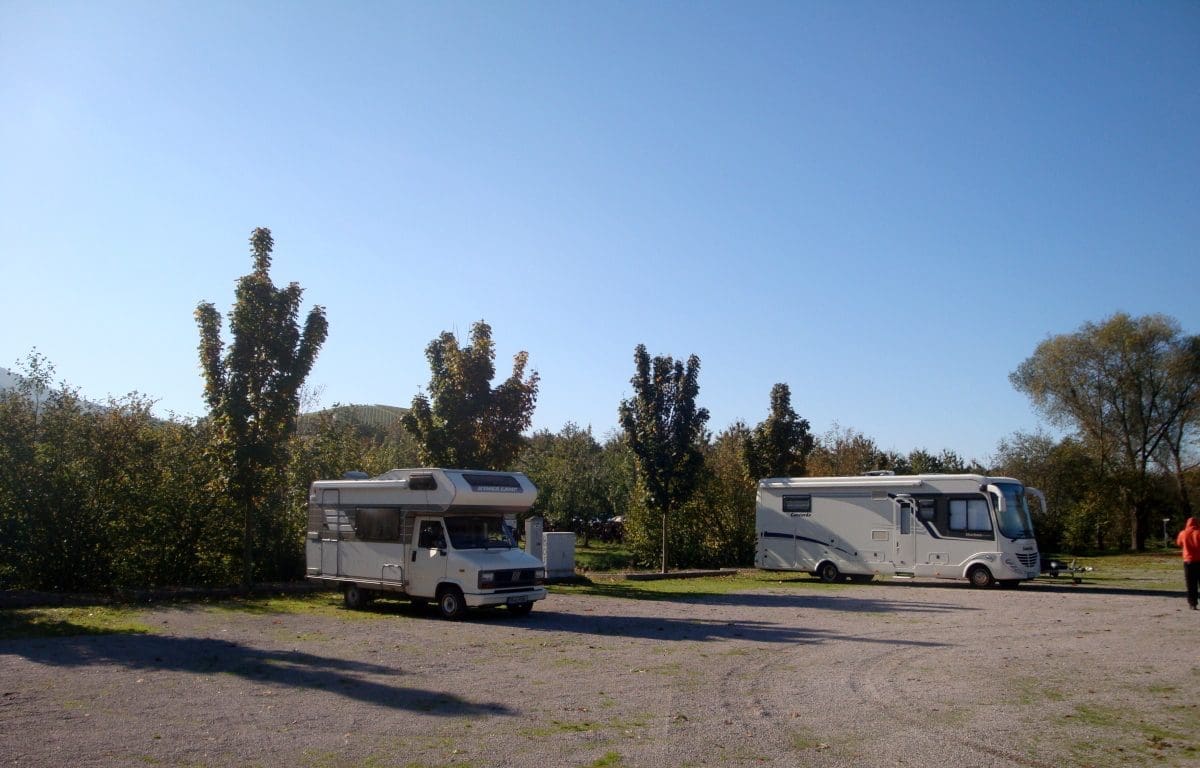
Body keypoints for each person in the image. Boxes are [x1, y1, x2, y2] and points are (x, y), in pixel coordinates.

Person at [1177, 517, 1200, 610]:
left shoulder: (1183, 533)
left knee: (1190, 584)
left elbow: (1179, 543)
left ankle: (1192, 603)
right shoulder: (1198, 533)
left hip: (1188, 561)